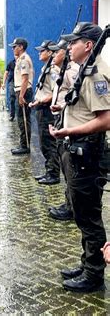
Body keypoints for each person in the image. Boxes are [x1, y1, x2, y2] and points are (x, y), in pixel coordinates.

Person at [50, 22, 110, 293]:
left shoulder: (96, 74)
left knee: (89, 216)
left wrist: (70, 130)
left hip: (87, 151)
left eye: (74, 42)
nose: (68, 47)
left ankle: (94, 275)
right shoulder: (85, 71)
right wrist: (63, 106)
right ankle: (87, 262)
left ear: (88, 45)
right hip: (76, 148)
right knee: (81, 212)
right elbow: (85, 107)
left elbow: (106, 119)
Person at [47, 39, 80, 221]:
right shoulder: (62, 71)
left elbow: (78, 100)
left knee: (70, 166)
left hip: (71, 124)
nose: (53, 55)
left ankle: (72, 207)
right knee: (64, 162)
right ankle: (69, 202)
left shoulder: (74, 71)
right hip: (62, 118)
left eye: (56, 52)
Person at [29, 40, 60, 185]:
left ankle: (53, 174)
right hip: (41, 108)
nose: (40, 53)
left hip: (47, 110)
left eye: (42, 51)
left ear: (50, 52)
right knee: (43, 143)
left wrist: (40, 101)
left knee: (48, 142)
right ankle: (49, 171)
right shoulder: (46, 68)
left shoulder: (53, 71)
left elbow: (55, 92)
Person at [10, 37, 34, 154]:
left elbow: (25, 79)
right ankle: (23, 143)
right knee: (21, 119)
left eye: (15, 47)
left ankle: (25, 146)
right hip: (20, 90)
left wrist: (21, 96)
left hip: (23, 91)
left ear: (21, 47)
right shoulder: (20, 59)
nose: (13, 49)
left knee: (23, 119)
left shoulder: (24, 59)